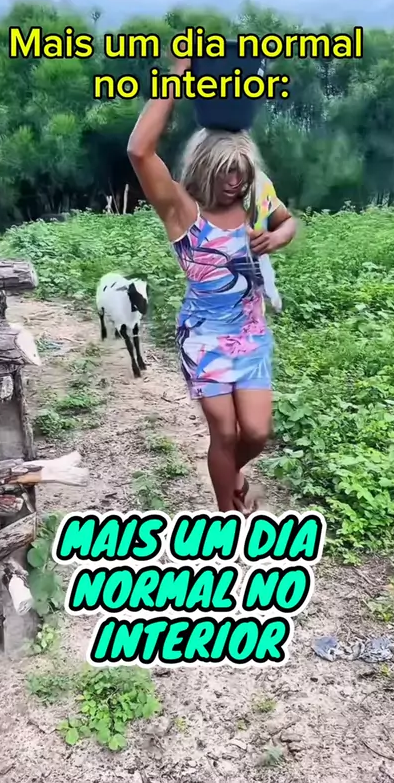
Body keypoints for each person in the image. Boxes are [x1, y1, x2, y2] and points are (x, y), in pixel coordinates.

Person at [128, 53, 296, 515]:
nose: (235, 181)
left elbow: (287, 222)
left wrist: (276, 237)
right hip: (203, 338)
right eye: (226, 171)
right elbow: (139, 151)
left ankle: (229, 471)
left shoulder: (256, 192)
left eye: (241, 171)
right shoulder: (181, 209)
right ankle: (229, 514)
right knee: (224, 432)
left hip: (251, 335)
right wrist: (176, 77)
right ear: (205, 166)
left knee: (256, 432)